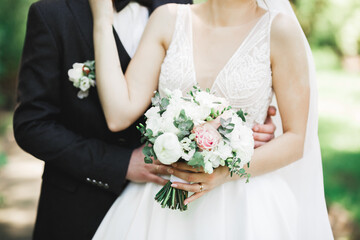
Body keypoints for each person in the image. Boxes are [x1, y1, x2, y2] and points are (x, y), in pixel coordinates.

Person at [12, 0, 276, 239]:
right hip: (78, 205)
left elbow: (215, 81)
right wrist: (121, 164)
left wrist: (238, 130)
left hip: (175, 213)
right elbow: (32, 125)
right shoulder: (52, 13)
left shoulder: (181, 8)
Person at [89, 0, 334, 239]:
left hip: (244, 205)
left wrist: (225, 172)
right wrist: (102, 20)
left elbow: (296, 139)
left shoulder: (279, 30)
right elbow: (118, 114)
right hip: (161, 203)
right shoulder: (167, 19)